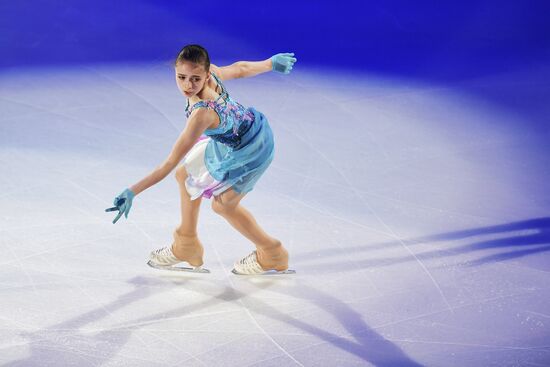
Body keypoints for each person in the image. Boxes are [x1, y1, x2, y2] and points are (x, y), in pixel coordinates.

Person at [106, 44, 297, 275]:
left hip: (253, 148)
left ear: (207, 75)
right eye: (181, 77)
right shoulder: (212, 74)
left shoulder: (202, 114)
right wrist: (270, 63)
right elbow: (239, 69)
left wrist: (132, 191)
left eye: (195, 79)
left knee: (223, 205)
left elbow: (168, 163)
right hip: (233, 138)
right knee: (185, 175)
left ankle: (272, 252)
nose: (188, 85)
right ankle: (186, 243)